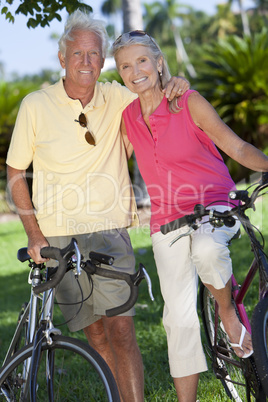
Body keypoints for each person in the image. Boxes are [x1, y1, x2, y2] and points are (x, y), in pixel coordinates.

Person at [6, 10, 189, 402]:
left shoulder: (119, 98)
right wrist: (34, 234)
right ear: (62, 58)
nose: (86, 62)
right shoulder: (35, 105)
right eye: (78, 54)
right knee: (95, 333)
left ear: (102, 59)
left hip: (109, 229)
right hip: (57, 233)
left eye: (94, 54)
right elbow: (16, 170)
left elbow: (154, 92)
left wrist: (175, 81)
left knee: (122, 329)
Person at [112, 31, 268, 401]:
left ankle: (226, 309)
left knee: (207, 250)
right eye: (125, 66)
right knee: (177, 320)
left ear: (159, 62)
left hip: (214, 203)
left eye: (142, 61)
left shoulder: (188, 101)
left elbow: (235, 145)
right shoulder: (127, 118)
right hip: (166, 220)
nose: (135, 71)